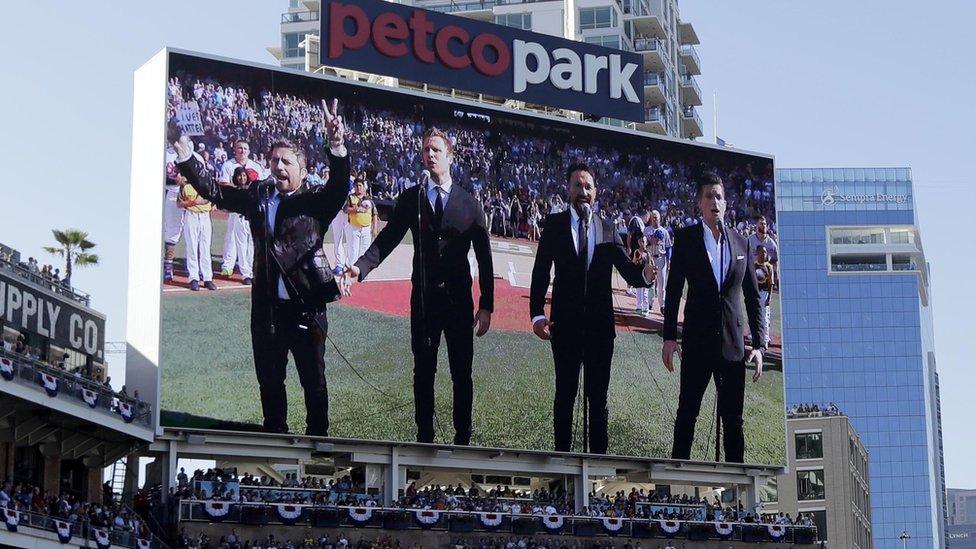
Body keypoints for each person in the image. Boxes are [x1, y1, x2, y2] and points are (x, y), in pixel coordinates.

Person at [172, 98, 350, 436]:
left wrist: (336, 144)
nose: (279, 166)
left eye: (287, 161)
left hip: (306, 310)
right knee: (270, 381)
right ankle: (275, 438)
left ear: (303, 168)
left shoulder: (316, 202)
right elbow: (214, 191)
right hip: (266, 310)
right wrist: (184, 154)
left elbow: (340, 186)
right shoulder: (259, 196)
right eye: (274, 161)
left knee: (314, 383)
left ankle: (318, 440)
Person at [343, 128, 494, 445]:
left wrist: (487, 305)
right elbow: (388, 238)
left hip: (458, 304)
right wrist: (361, 266)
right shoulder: (412, 197)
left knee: (461, 374)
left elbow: (485, 256)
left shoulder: (470, 203)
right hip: (423, 302)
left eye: (436, 149)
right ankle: (424, 436)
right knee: (423, 373)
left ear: (450, 156)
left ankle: (462, 437)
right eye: (426, 150)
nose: (430, 154)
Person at [529, 163, 656, 454]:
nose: (583, 192)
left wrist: (646, 277)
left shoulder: (608, 227)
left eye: (588, 187)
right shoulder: (555, 225)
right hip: (565, 327)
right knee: (564, 396)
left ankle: (598, 464)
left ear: (596, 192)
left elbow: (627, 270)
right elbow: (540, 272)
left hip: (600, 331)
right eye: (577, 185)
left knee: (598, 401)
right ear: (568, 189)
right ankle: (561, 462)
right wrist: (537, 313)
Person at [661, 173, 766, 463]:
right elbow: (672, 292)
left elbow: (753, 298)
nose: (714, 201)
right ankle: (676, 480)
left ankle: (736, 493)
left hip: (733, 348)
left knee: (734, 422)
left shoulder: (741, 243)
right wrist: (669, 336)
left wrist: (758, 345)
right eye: (709, 196)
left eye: (718, 196)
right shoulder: (685, 239)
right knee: (686, 415)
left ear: (726, 202)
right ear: (699, 203)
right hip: (696, 343)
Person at [219, 140, 265, 284]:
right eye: (239, 148)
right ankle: (228, 265)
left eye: (245, 148)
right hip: (235, 208)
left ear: (249, 151)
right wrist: (240, 189)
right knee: (231, 237)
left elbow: (262, 185)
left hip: (252, 208)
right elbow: (223, 184)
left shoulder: (255, 166)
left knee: (251, 240)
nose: (242, 151)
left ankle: (249, 269)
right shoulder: (228, 165)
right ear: (235, 150)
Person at [178, 169, 216, 291]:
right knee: (192, 247)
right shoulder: (185, 186)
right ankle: (193, 277)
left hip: (205, 215)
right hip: (191, 215)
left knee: (205, 248)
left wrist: (194, 201)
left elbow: (207, 199)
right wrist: (192, 203)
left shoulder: (206, 184)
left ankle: (207, 278)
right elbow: (179, 203)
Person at [343, 177, 376, 265]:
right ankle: (352, 270)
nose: (359, 187)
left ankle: (362, 272)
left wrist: (374, 228)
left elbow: (374, 214)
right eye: (357, 185)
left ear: (363, 187)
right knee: (353, 251)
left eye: (360, 185)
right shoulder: (350, 197)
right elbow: (345, 209)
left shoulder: (369, 199)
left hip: (366, 228)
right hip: (354, 228)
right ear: (354, 187)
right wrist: (357, 210)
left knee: (364, 251)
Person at [644, 210, 671, 314]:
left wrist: (669, 261)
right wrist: (651, 241)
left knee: (661, 283)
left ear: (660, 218)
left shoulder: (664, 231)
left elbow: (668, 248)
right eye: (653, 217)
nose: (654, 219)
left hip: (661, 258)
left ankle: (662, 305)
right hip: (651, 258)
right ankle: (650, 304)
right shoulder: (647, 230)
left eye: (656, 217)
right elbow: (643, 244)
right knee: (650, 281)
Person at [754, 245, 774, 348]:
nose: (763, 254)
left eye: (765, 252)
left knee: (765, 317)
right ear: (757, 253)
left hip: (764, 293)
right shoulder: (753, 265)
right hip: (756, 293)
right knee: (755, 316)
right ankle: (756, 336)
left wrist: (769, 298)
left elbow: (771, 283)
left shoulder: (769, 267)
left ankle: (765, 339)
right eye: (761, 252)